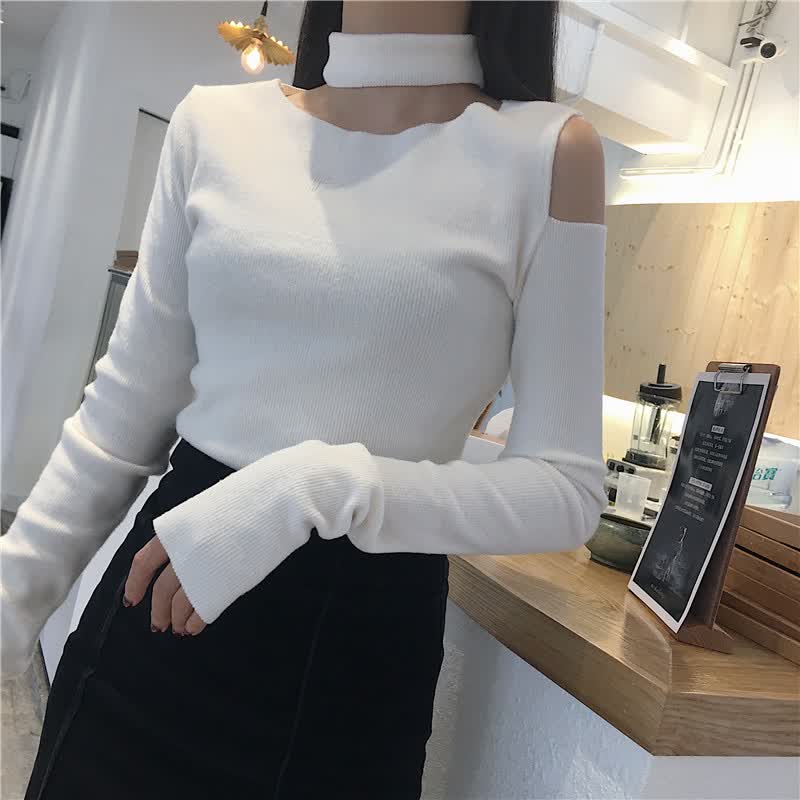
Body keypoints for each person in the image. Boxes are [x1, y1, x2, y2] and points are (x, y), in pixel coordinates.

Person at [2, 1, 607, 797]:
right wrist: (8, 608)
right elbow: (119, 419)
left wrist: (320, 484)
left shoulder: (547, 154)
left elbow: (566, 489)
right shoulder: (215, 126)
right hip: (155, 621)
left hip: (352, 666)